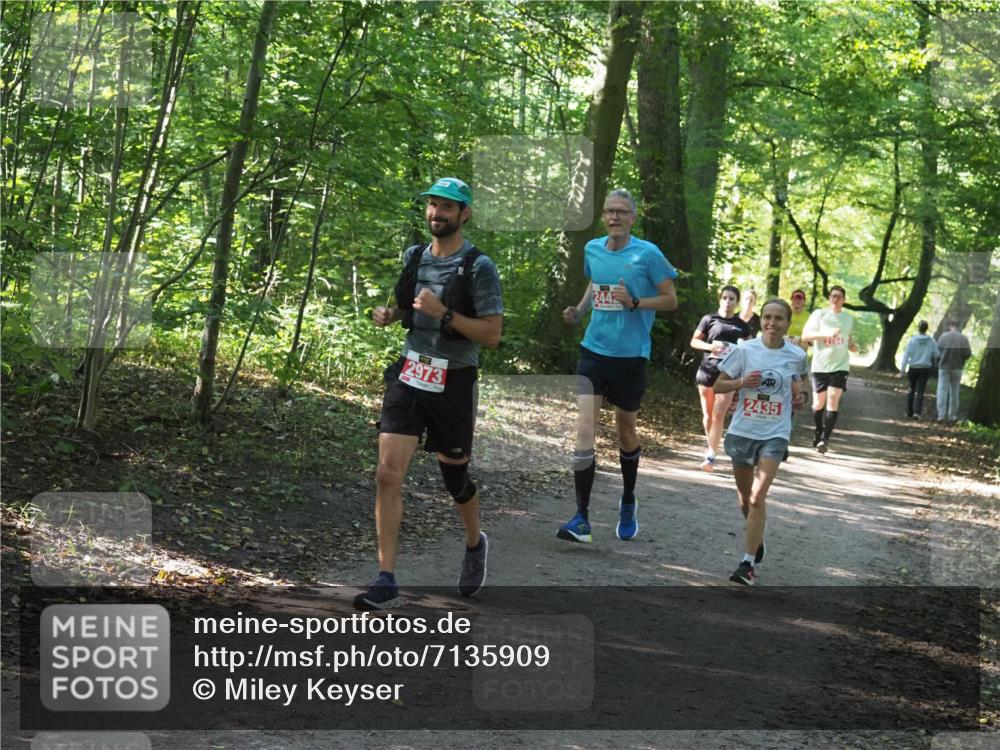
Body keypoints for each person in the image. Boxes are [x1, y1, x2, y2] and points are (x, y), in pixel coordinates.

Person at [355, 177, 503, 610]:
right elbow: (407, 307)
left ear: (464, 214)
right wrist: (389, 314)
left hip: (454, 380)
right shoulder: (415, 257)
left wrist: (446, 314)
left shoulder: (479, 266)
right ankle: (386, 579)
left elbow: (492, 335)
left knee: (454, 477)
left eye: (446, 207)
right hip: (409, 373)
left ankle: (475, 543)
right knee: (387, 474)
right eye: (432, 205)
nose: (437, 213)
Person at [557, 189, 678, 543]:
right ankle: (581, 517)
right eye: (610, 211)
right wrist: (579, 311)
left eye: (622, 212)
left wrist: (636, 301)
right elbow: (596, 281)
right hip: (594, 350)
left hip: (631, 355)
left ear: (633, 218)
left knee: (625, 431)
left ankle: (627, 499)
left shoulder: (648, 254)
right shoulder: (592, 248)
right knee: (584, 428)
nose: (614, 217)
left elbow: (671, 300)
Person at [713, 298, 807, 585]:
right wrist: (742, 383)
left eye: (779, 318)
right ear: (760, 320)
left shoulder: (797, 355)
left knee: (757, 497)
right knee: (745, 499)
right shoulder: (745, 350)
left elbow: (799, 381)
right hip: (743, 431)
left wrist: (800, 396)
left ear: (788, 323)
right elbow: (717, 384)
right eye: (767, 317)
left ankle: (747, 563)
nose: (772, 323)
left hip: (775, 434)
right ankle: (757, 540)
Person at [689, 286, 751, 471]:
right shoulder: (709, 319)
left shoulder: (742, 324)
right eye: (724, 297)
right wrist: (710, 348)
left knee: (718, 415)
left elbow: (750, 349)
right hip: (707, 371)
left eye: (732, 298)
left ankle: (711, 455)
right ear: (720, 299)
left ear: (736, 302)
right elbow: (694, 341)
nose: (728, 301)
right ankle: (711, 446)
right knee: (708, 416)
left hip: (728, 375)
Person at [800, 285, 857, 454]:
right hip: (820, 365)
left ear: (844, 300)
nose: (836, 299)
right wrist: (826, 334)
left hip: (840, 365)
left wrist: (851, 345)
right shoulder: (819, 315)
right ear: (829, 298)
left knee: (832, 400)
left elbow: (847, 337)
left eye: (839, 296)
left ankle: (825, 439)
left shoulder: (848, 319)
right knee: (818, 403)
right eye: (833, 296)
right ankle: (818, 430)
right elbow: (805, 336)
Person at [899, 320, 940, 419]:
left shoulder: (912, 340)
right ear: (927, 328)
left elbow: (906, 355)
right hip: (925, 369)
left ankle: (909, 412)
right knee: (920, 391)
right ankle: (917, 413)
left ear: (918, 328)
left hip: (913, 368)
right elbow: (937, 354)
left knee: (911, 389)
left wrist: (902, 370)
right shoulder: (931, 341)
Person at [935, 319, 973, 422]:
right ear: (959, 326)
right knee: (955, 391)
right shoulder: (963, 338)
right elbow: (968, 353)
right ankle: (952, 415)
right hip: (957, 367)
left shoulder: (943, 336)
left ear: (949, 325)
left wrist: (939, 360)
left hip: (944, 367)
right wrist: (961, 359)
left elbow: (937, 351)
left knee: (942, 390)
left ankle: (941, 415)